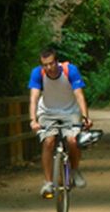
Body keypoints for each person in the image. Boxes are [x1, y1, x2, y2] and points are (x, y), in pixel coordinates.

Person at [28, 48, 93, 198]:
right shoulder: (38, 74)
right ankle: (48, 182)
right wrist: (33, 120)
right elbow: (34, 98)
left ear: (57, 61)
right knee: (48, 141)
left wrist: (85, 117)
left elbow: (79, 95)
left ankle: (75, 170)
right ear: (41, 65)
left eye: (51, 64)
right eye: (45, 65)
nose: (49, 68)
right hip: (47, 112)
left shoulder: (70, 71)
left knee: (72, 140)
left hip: (70, 112)